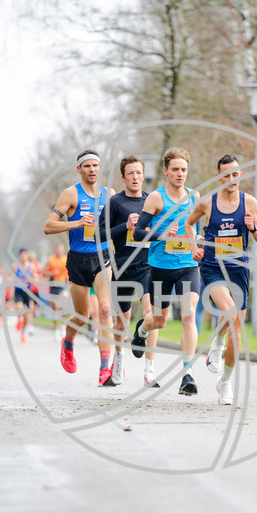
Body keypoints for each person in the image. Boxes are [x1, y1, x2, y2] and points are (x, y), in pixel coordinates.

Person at [185, 154, 257, 405]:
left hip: (239, 270)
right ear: (218, 177)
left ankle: (225, 382)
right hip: (213, 268)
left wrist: (253, 228)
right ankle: (218, 343)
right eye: (225, 175)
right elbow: (188, 224)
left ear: (240, 175)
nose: (231, 179)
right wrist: (193, 248)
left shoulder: (249, 202)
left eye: (235, 174)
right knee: (231, 314)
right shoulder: (208, 203)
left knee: (237, 330)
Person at [130, 147, 203, 396]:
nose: (180, 174)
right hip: (160, 268)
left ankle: (187, 374)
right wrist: (162, 234)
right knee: (159, 321)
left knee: (188, 315)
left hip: (187, 267)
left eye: (184, 169)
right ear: (166, 171)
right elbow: (137, 233)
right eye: (175, 169)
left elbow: (196, 228)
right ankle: (141, 330)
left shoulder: (194, 196)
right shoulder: (156, 199)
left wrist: (198, 242)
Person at [43, 149, 116, 385]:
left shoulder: (109, 194)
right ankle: (68, 343)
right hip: (78, 259)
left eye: (95, 165)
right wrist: (77, 223)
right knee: (82, 316)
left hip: (103, 256)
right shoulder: (71, 194)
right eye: (87, 166)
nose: (92, 170)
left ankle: (105, 368)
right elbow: (48, 226)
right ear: (79, 169)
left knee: (105, 309)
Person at [98, 155, 160, 387]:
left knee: (152, 313)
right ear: (123, 177)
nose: (135, 177)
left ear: (143, 175)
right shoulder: (115, 203)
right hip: (122, 267)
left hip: (147, 267)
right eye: (130, 173)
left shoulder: (152, 202)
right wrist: (125, 226)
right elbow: (99, 235)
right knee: (121, 323)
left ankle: (149, 370)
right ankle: (119, 359)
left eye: (138, 173)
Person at [14, 249, 42, 343]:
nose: (23, 256)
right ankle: (19, 319)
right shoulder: (15, 266)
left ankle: (22, 332)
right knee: (19, 307)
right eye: (21, 255)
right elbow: (9, 276)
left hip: (27, 292)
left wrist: (31, 279)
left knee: (27, 314)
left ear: (27, 256)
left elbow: (36, 279)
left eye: (24, 255)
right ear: (19, 256)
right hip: (18, 291)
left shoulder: (31, 266)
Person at [44, 243, 70, 341]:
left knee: (64, 304)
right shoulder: (51, 259)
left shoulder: (66, 259)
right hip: (53, 286)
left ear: (63, 250)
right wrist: (51, 273)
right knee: (55, 309)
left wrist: (69, 278)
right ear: (55, 250)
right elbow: (43, 272)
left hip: (63, 285)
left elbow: (71, 270)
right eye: (57, 249)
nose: (59, 251)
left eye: (61, 249)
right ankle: (55, 329)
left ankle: (62, 326)